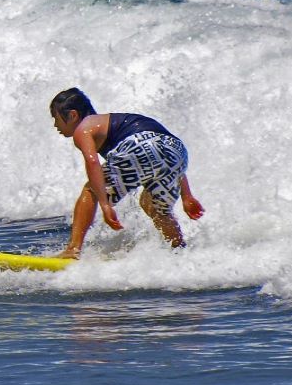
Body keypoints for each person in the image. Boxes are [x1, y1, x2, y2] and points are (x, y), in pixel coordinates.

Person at [49, 87, 203, 258]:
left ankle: (73, 249)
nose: (55, 125)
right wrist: (186, 196)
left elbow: (93, 162)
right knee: (153, 206)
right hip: (177, 150)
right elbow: (162, 151)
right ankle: (179, 251)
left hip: (138, 144)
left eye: (56, 118)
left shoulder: (84, 128)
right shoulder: (118, 122)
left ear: (72, 115)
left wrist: (105, 204)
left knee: (90, 190)